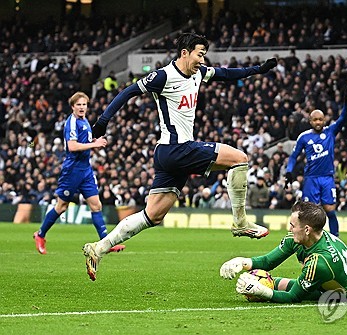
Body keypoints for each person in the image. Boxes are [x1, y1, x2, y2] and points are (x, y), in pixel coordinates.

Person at [83, 32, 277, 280]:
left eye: (204, 55)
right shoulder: (163, 76)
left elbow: (226, 74)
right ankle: (240, 222)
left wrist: (257, 70)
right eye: (199, 54)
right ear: (185, 52)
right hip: (178, 148)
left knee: (151, 215)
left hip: (168, 155)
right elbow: (128, 92)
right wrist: (102, 122)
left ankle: (98, 249)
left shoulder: (199, 73)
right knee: (239, 158)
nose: (202, 59)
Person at [33, 92, 125, 254]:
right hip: (72, 170)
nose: (82, 107)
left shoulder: (85, 121)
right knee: (61, 206)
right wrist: (94, 145)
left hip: (86, 170)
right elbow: (73, 146)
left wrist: (92, 142)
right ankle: (40, 235)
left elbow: (84, 142)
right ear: (73, 107)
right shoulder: (72, 123)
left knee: (96, 205)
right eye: (79, 105)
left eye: (84, 104)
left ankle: (106, 243)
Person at [285, 88, 347, 236]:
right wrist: (289, 171)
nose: (318, 122)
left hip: (327, 178)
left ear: (324, 120)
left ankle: (336, 240)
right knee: (310, 213)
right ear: (310, 121)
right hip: (311, 178)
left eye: (320, 119)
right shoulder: (304, 137)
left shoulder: (330, 132)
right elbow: (293, 156)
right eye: (315, 119)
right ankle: (307, 239)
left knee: (330, 210)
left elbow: (343, 118)